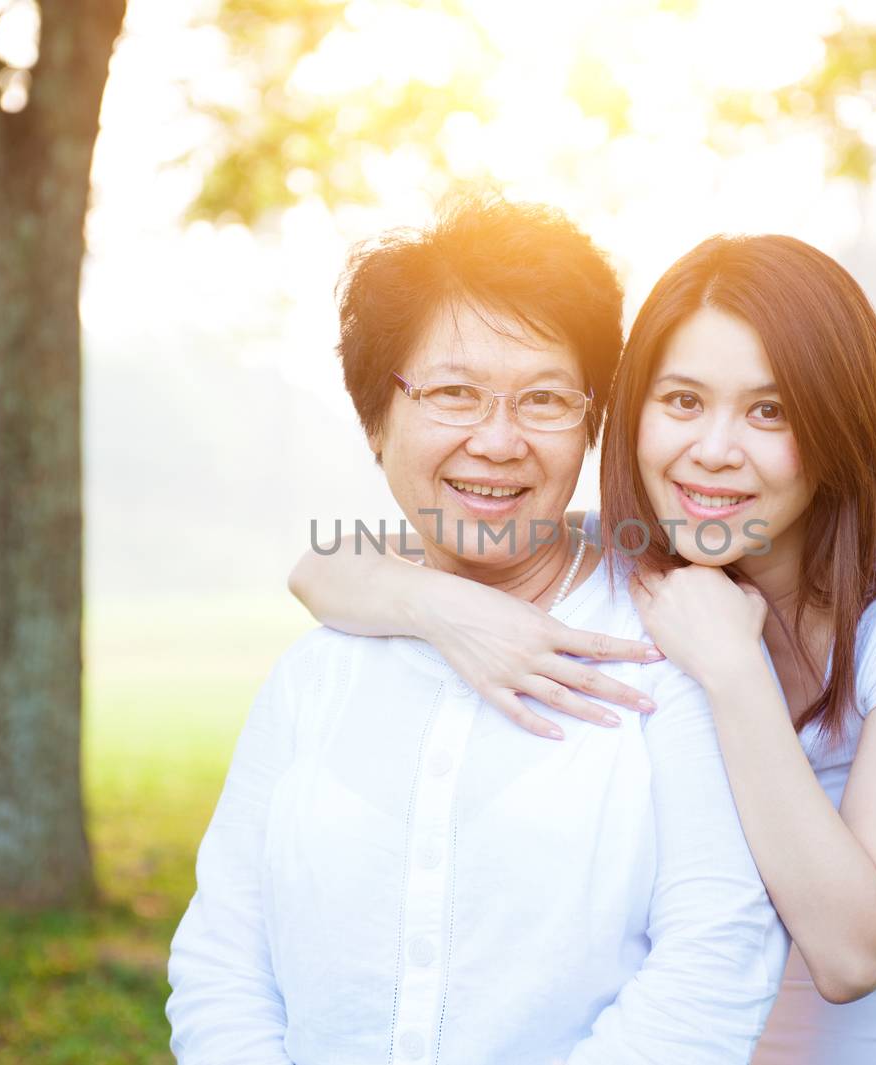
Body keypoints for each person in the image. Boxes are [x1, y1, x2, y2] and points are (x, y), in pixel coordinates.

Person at [290, 234, 876, 1063]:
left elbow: (852, 950)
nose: (715, 449)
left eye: (771, 410)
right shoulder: (639, 566)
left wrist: (734, 670)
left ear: (840, 423)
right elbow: (323, 565)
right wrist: (440, 607)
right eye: (683, 402)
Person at [166, 199, 789, 1065]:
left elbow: (716, 954)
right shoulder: (317, 672)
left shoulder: (669, 645)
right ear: (376, 422)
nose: (496, 441)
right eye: (454, 392)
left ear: (592, 422)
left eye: (543, 398)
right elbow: (223, 955)